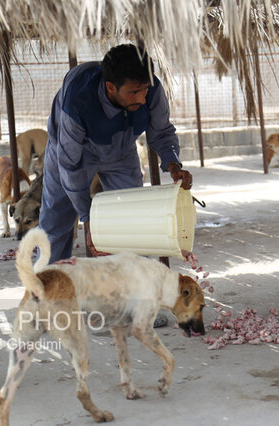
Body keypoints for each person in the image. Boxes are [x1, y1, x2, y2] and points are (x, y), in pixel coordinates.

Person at [39, 44, 193, 326]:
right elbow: (70, 168)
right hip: (71, 153)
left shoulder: (151, 89)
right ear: (111, 88)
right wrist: (88, 221)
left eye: (145, 89)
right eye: (134, 92)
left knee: (132, 223)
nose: (142, 96)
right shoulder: (77, 103)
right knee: (56, 223)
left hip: (121, 153)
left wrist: (173, 164)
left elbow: (161, 131)